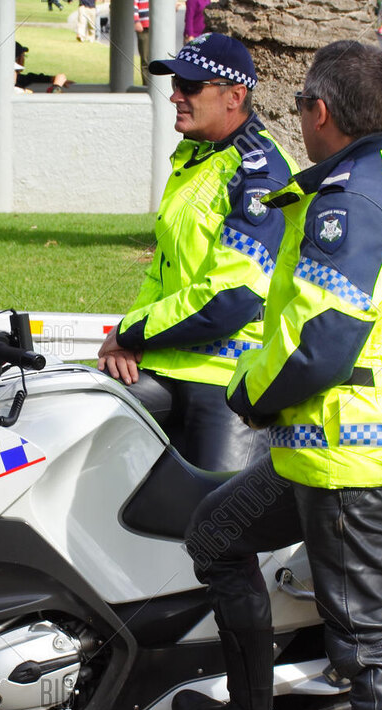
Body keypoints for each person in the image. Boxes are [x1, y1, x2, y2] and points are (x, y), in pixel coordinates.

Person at [171, 38, 382, 710]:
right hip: (323, 448)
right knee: (214, 534)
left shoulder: (356, 196)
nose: (295, 118)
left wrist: (246, 394)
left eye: (298, 104)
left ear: (322, 111)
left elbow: (322, 341)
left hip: (348, 456)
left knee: (366, 650)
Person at [96, 33, 297, 473]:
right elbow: (163, 274)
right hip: (163, 368)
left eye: (190, 86)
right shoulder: (195, 158)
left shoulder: (259, 172)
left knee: (218, 531)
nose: (175, 96)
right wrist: (125, 343)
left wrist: (133, 333)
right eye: (175, 83)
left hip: (225, 382)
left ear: (234, 96)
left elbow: (234, 297)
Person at [134, 0, 149, 85]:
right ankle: (147, 86)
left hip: (156, 25)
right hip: (144, 27)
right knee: (145, 59)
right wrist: (136, 21)